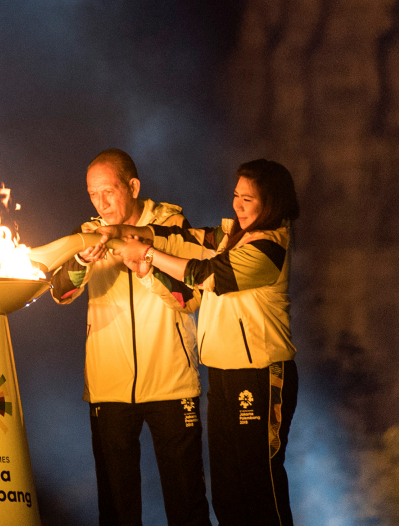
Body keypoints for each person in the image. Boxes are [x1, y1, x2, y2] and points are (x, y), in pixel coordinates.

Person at [98, 159, 300, 526]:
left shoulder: (270, 247)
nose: (238, 205)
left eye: (248, 200)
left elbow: (206, 275)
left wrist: (147, 254)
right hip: (222, 375)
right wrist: (126, 236)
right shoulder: (230, 237)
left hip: (260, 374)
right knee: (226, 492)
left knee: (258, 483)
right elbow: (182, 239)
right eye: (236, 196)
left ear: (270, 203)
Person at [47, 149, 210, 526]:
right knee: (116, 511)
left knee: (187, 505)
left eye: (109, 191)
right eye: (93, 194)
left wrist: (146, 269)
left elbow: (191, 298)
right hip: (109, 388)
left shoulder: (171, 225)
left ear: (133, 187)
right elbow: (59, 293)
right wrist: (83, 261)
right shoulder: (87, 234)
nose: (100, 203)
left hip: (171, 384)